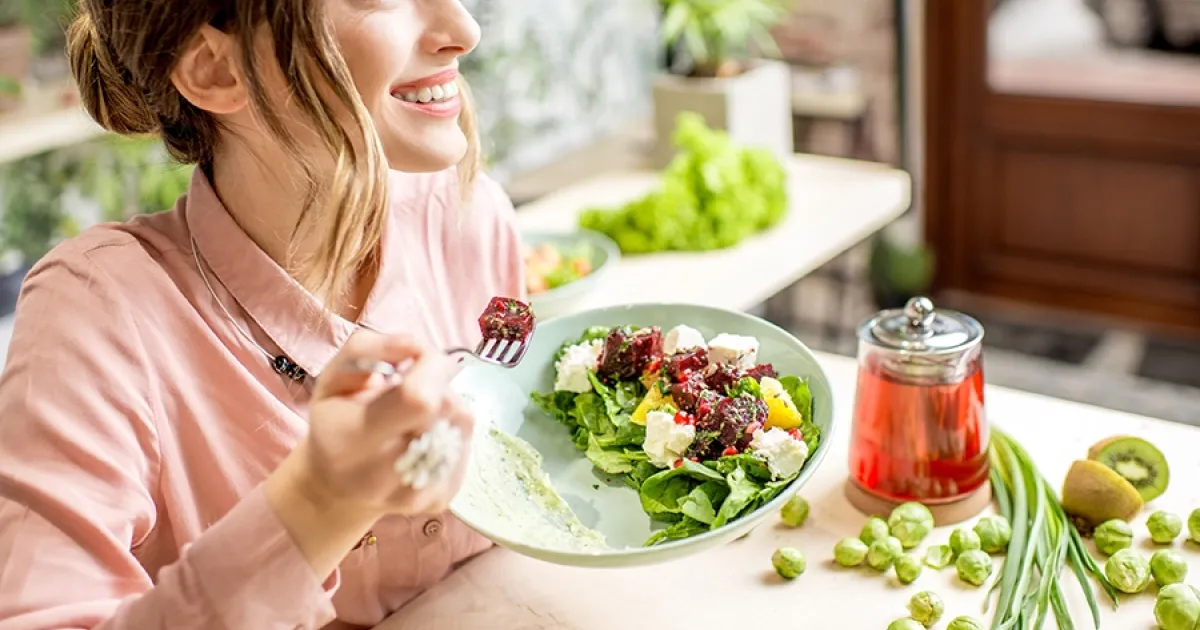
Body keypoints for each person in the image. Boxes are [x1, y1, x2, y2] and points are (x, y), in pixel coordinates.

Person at [0, 1, 523, 628]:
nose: (463, 31)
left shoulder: (467, 215)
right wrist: (319, 503)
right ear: (216, 69)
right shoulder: (95, 314)